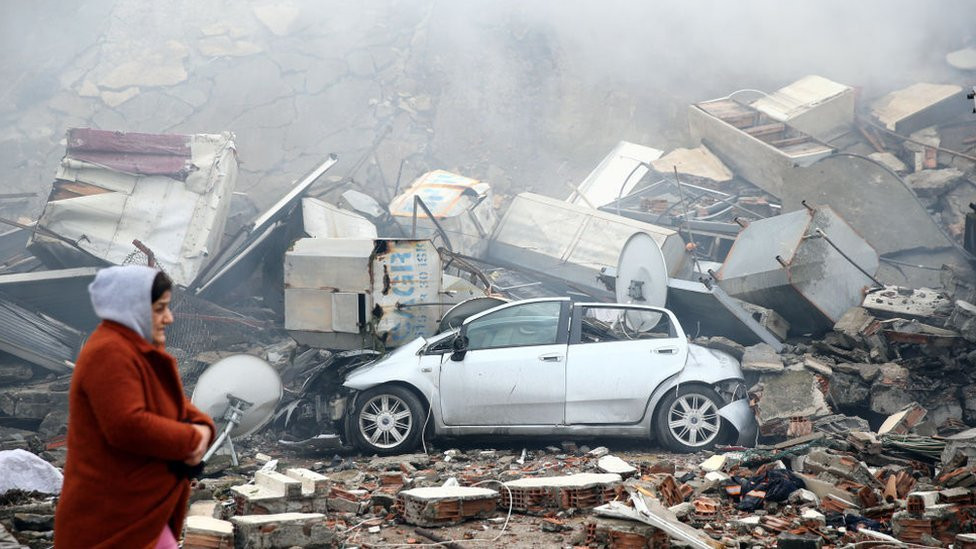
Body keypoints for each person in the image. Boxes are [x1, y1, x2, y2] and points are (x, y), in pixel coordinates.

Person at [54, 266, 215, 548]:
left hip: (139, 514)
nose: (169, 318)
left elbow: (176, 408)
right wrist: (192, 441)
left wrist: (202, 428)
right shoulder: (109, 353)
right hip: (113, 518)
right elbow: (127, 425)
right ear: (134, 308)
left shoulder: (135, 350)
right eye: (160, 308)